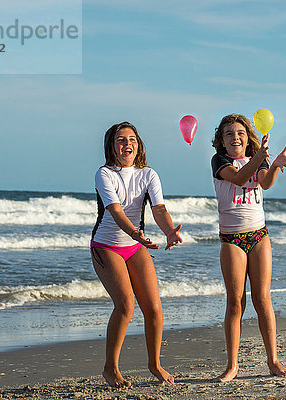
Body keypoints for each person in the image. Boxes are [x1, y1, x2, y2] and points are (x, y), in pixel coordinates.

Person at [90, 121, 182, 387]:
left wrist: (169, 232)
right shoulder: (104, 174)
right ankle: (110, 368)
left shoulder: (149, 174)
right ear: (111, 146)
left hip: (135, 244)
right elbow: (116, 211)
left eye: (131, 139)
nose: (127, 144)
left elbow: (159, 209)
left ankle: (154, 364)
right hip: (106, 245)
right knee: (126, 305)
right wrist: (134, 233)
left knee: (153, 307)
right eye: (120, 140)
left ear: (138, 144)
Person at [210, 114, 286, 382]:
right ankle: (232, 366)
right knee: (236, 303)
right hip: (232, 239)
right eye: (228, 134)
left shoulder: (259, 158)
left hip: (259, 236)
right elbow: (238, 179)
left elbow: (265, 182)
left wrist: (273, 165)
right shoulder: (220, 161)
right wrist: (260, 156)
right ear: (222, 141)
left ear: (248, 136)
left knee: (263, 300)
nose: (235, 137)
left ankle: (273, 361)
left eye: (239, 133)